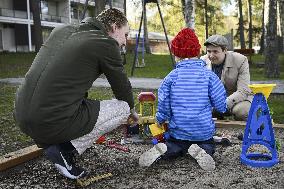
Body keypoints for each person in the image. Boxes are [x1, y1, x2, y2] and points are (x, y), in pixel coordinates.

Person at [14, 8, 138, 179]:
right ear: (114, 27)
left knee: (79, 104)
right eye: (125, 34)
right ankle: (64, 150)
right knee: (123, 108)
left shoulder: (61, 30)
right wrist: (132, 111)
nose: (125, 41)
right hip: (49, 121)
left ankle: (56, 141)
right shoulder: (105, 43)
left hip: (22, 116)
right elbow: (122, 87)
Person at [138, 28, 227, 171]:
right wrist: (221, 108)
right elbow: (220, 104)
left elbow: (164, 104)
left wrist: (160, 119)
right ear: (198, 53)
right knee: (208, 144)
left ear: (176, 56)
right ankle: (202, 151)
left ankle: (166, 149)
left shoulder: (171, 77)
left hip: (179, 132)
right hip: (202, 132)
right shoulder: (209, 76)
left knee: (174, 143)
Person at [200, 35, 253, 121]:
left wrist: (222, 104)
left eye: (215, 52)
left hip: (237, 100)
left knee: (243, 111)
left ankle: (244, 132)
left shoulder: (240, 60)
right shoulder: (202, 61)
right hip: (212, 102)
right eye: (209, 51)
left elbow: (243, 90)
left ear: (225, 50)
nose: (211, 55)